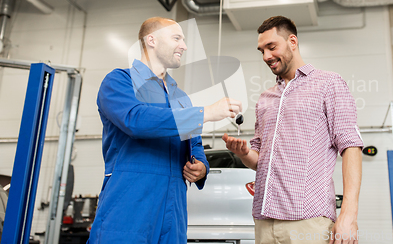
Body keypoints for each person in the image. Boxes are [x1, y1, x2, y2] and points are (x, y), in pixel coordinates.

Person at [88, 17, 242, 244]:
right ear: (151, 40)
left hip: (174, 209)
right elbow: (136, 120)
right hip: (130, 204)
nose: (184, 46)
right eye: (177, 38)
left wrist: (201, 167)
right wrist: (205, 113)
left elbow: (195, 144)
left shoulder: (181, 98)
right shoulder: (119, 81)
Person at [223, 16, 363, 244]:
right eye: (261, 51)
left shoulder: (329, 84)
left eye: (272, 47)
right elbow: (259, 162)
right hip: (264, 221)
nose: (266, 56)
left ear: (292, 42)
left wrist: (349, 214)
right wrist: (244, 153)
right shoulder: (265, 99)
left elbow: (351, 147)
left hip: (308, 221)